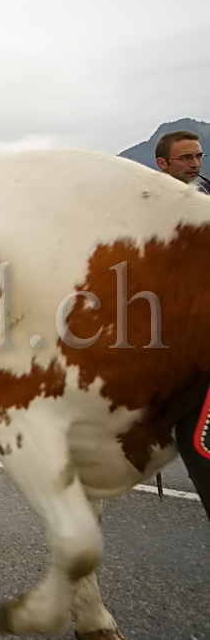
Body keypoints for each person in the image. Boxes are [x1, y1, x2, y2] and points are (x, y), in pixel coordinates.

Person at [153, 130, 210, 521]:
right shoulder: (150, 206)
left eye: (199, 156)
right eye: (186, 158)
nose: (195, 163)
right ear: (163, 165)